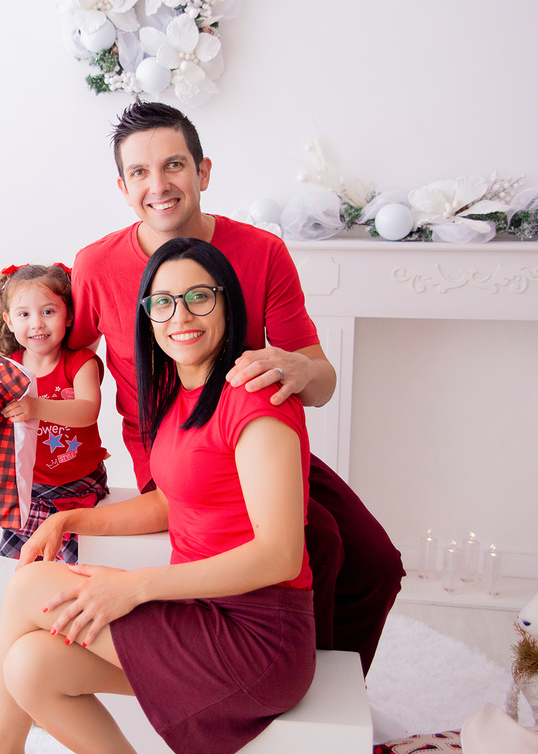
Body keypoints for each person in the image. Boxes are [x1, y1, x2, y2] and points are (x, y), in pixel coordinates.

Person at [66, 101, 403, 673]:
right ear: (122, 188)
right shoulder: (95, 267)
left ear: (204, 172)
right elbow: (63, 355)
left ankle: (335, 699)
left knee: (376, 562)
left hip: (250, 444)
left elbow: (321, 383)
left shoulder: (262, 252)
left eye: (174, 165)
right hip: (171, 458)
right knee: (318, 540)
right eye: (141, 173)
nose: (160, 185)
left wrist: (299, 369)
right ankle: (283, 684)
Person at [0, 239, 315, 754]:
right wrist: (69, 520)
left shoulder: (254, 400)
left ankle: (0, 748)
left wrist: (136, 586)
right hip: (199, 612)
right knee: (31, 667)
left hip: (255, 638)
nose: (179, 314)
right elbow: (170, 503)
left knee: (31, 587)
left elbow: (280, 555)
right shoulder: (179, 396)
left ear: (228, 303)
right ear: (146, 316)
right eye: (162, 302)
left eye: (199, 297)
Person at [0, 263, 110, 563]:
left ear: (68, 315)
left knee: (76, 564)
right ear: (9, 320)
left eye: (48, 311)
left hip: (79, 484)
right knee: (32, 564)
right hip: (29, 486)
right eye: (24, 314)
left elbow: (87, 411)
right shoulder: (9, 368)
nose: (37, 324)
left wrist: (36, 407)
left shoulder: (82, 363)